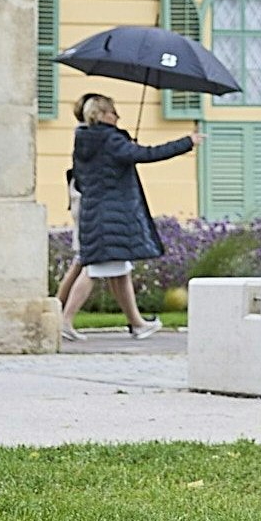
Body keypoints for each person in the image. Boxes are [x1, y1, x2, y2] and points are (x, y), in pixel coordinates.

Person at [61, 92, 193, 340]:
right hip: (113, 217)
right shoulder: (110, 140)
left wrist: (126, 146)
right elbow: (149, 154)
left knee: (119, 271)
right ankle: (66, 321)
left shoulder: (85, 140)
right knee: (94, 269)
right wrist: (187, 141)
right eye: (113, 111)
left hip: (95, 211)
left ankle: (137, 323)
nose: (117, 116)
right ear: (101, 114)